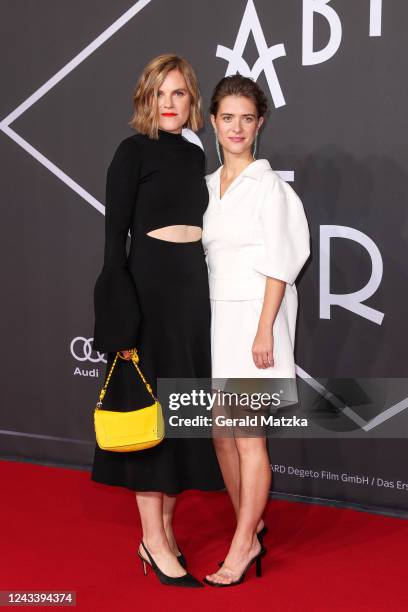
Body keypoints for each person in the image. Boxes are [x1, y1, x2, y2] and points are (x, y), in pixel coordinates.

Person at [90, 54, 225, 588]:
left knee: (181, 418)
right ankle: (151, 537)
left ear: (192, 102)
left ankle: (164, 534)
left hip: (192, 291)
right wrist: (121, 320)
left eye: (180, 95)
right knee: (151, 419)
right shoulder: (131, 152)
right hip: (149, 293)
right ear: (146, 99)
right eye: (160, 94)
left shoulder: (194, 155)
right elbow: (112, 243)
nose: (170, 104)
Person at [202, 75, 310, 586]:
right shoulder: (205, 189)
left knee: (249, 439)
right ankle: (253, 522)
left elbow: (281, 263)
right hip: (218, 320)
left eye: (247, 118)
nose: (237, 127)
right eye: (228, 118)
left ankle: (243, 545)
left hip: (255, 321)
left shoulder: (271, 188)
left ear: (260, 123)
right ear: (214, 122)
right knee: (222, 437)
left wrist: (265, 329)